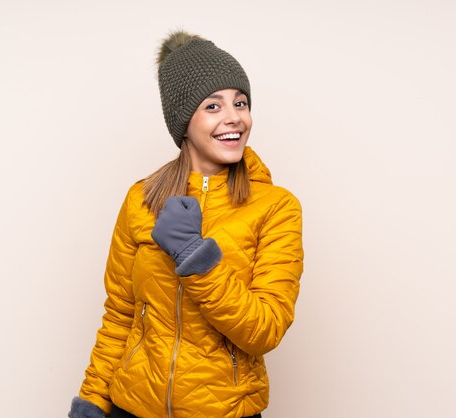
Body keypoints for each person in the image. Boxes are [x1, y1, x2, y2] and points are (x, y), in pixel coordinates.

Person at [68, 30, 304, 418]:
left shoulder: (276, 207)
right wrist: (93, 399)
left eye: (240, 103)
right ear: (183, 120)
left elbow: (265, 330)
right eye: (213, 106)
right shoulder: (140, 199)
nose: (234, 118)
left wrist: (197, 258)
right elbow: (120, 315)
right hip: (133, 407)